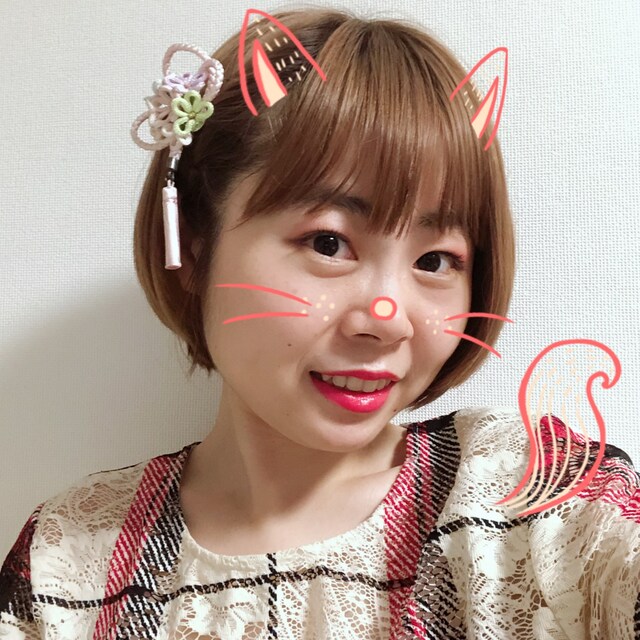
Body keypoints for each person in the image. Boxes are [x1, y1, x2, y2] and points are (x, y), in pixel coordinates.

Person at [1, 7, 639, 639]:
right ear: (195, 249)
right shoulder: (67, 564)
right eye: (328, 244)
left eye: (435, 260)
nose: (388, 322)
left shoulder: (538, 500)